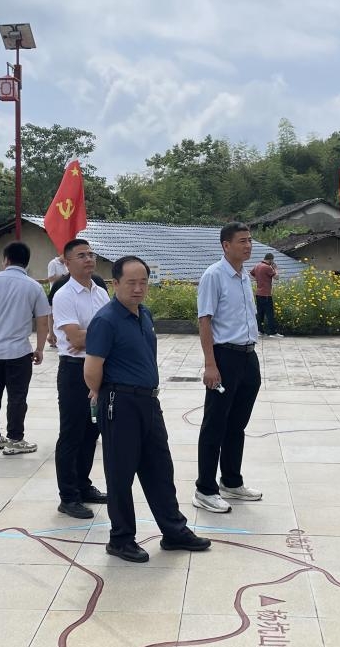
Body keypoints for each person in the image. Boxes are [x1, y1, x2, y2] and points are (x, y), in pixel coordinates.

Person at [85, 255, 210, 563]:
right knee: (121, 473)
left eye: (143, 282)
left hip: (149, 402)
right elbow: (92, 369)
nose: (138, 288)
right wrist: (103, 394)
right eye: (131, 283)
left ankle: (174, 531)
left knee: (160, 468)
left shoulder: (145, 314)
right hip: (119, 402)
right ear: (116, 283)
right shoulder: (105, 320)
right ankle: (121, 538)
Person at [193, 222, 264, 513]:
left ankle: (231, 481)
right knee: (215, 424)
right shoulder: (214, 275)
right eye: (242, 241)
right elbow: (204, 320)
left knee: (237, 424)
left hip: (248, 356)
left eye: (250, 240)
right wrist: (210, 364)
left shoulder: (245, 275)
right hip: (224, 357)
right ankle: (205, 489)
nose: (248, 245)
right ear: (226, 245)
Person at [51, 238, 111, 520]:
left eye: (91, 254)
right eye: (81, 255)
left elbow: (113, 329)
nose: (89, 259)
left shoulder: (100, 292)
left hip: (99, 366)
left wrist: (92, 338)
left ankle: (83, 485)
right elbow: (75, 339)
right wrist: (97, 337)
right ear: (67, 263)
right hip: (74, 370)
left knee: (92, 431)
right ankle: (68, 496)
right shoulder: (64, 295)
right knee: (72, 433)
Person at [0, 241, 51, 455]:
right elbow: (42, 321)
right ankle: (15, 439)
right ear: (26, 262)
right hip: (19, 352)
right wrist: (40, 348)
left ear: (6, 260)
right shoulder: (33, 286)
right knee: (17, 397)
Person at [249, 252, 282, 337]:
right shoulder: (267, 267)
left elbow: (250, 274)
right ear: (270, 259)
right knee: (270, 313)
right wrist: (275, 268)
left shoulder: (257, 266)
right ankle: (272, 332)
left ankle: (260, 331)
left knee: (260, 313)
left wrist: (258, 280)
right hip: (266, 294)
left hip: (258, 293)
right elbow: (277, 277)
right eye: (272, 260)